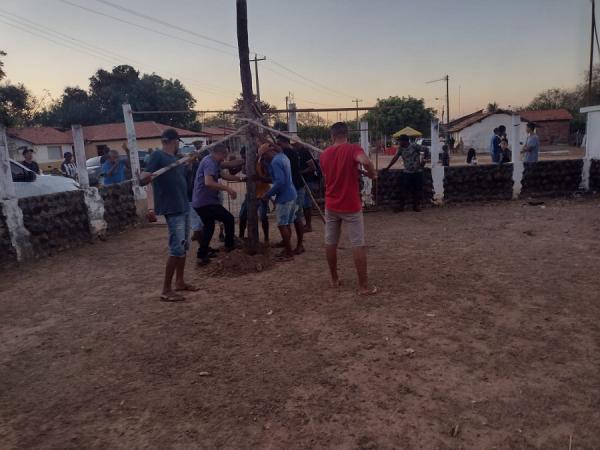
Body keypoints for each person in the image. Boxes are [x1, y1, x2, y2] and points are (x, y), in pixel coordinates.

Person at [139, 128, 198, 302]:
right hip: (172, 208)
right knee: (176, 248)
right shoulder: (158, 155)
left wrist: (188, 165)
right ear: (174, 141)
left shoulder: (175, 159)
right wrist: (144, 177)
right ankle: (166, 289)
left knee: (184, 246)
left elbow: (182, 180)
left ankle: (179, 282)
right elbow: (144, 176)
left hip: (183, 205)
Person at [320, 122, 378, 295]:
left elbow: (330, 175)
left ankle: (334, 279)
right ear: (347, 134)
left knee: (330, 242)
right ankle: (363, 287)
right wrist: (371, 173)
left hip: (331, 204)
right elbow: (366, 161)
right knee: (357, 244)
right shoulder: (353, 149)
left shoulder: (324, 155)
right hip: (351, 205)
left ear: (332, 136)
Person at [192, 144, 242, 265]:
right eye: (224, 155)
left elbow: (223, 175)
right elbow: (208, 183)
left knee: (209, 227)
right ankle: (229, 246)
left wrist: (239, 179)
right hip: (206, 202)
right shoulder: (209, 162)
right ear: (219, 153)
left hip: (201, 201)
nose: (224, 158)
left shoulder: (213, 162)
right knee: (229, 219)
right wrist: (228, 189)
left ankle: (202, 255)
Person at [259, 142, 297, 261]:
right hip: (291, 194)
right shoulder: (283, 157)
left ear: (269, 152)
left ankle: (289, 253)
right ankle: (287, 249)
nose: (264, 159)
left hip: (284, 196)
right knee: (287, 224)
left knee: (282, 225)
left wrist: (268, 194)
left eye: (264, 156)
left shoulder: (275, 161)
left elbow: (279, 181)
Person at [382, 134, 426, 212]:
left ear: (405, 141)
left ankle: (416, 206)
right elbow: (395, 158)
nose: (399, 142)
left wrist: (423, 162)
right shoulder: (400, 149)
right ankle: (401, 207)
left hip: (417, 171)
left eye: (400, 141)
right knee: (403, 189)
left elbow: (426, 150)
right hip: (407, 172)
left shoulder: (414, 146)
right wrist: (388, 167)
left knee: (417, 189)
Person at [277, 135, 305, 254]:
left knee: (296, 218)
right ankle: (287, 242)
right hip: (293, 188)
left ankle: (300, 245)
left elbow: (274, 147)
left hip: (296, 188)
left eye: (278, 144)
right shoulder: (290, 152)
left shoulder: (289, 152)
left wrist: (259, 136)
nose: (277, 146)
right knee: (288, 219)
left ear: (283, 143)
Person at [239, 144, 271, 243]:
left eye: (245, 157)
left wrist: (259, 178)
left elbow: (270, 178)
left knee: (263, 216)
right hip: (251, 194)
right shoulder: (247, 163)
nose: (244, 159)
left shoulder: (262, 162)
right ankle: (241, 236)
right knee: (242, 215)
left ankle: (266, 238)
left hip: (263, 193)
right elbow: (240, 172)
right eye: (243, 157)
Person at [294, 142, 319, 233]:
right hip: (303, 180)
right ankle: (307, 225)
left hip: (308, 180)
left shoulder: (304, 152)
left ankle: (308, 225)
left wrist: (302, 172)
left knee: (306, 204)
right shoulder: (297, 153)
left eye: (294, 145)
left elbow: (313, 167)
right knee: (304, 204)